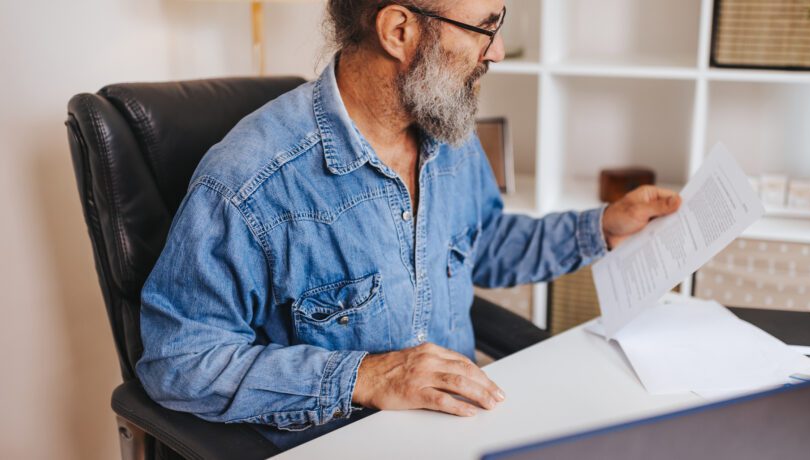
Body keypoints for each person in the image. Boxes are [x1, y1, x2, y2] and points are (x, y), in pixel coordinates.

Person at [136, 0, 682, 450]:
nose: (495, 52)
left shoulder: (446, 131)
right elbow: (179, 362)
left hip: (469, 434)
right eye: (483, 28)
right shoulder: (250, 182)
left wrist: (604, 228)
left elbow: (481, 243)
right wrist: (366, 377)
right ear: (399, 30)